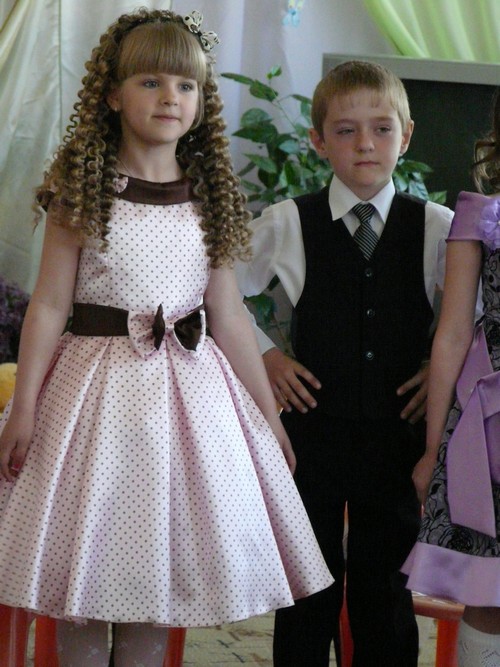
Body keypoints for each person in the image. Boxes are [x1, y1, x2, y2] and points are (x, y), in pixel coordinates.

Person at [0, 9, 333, 667]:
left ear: (201, 101)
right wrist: (25, 407)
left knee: (152, 585)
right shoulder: (82, 191)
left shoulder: (209, 195)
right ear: (112, 95)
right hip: (92, 406)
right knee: (85, 582)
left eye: (185, 85)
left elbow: (229, 315)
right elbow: (49, 305)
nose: (169, 98)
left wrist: (268, 417)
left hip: (186, 411)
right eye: (150, 82)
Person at [236, 60, 454, 667]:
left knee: (386, 585)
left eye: (382, 129)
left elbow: (467, 320)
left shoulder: (438, 228)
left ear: (406, 137)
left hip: (398, 434)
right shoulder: (288, 221)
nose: (365, 144)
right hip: (313, 432)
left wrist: (437, 369)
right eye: (346, 130)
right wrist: (267, 355)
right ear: (318, 140)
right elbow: (214, 287)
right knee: (308, 582)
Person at [403, 90, 500, 666]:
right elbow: (453, 334)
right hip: (490, 430)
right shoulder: (481, 213)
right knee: (489, 592)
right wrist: (433, 449)